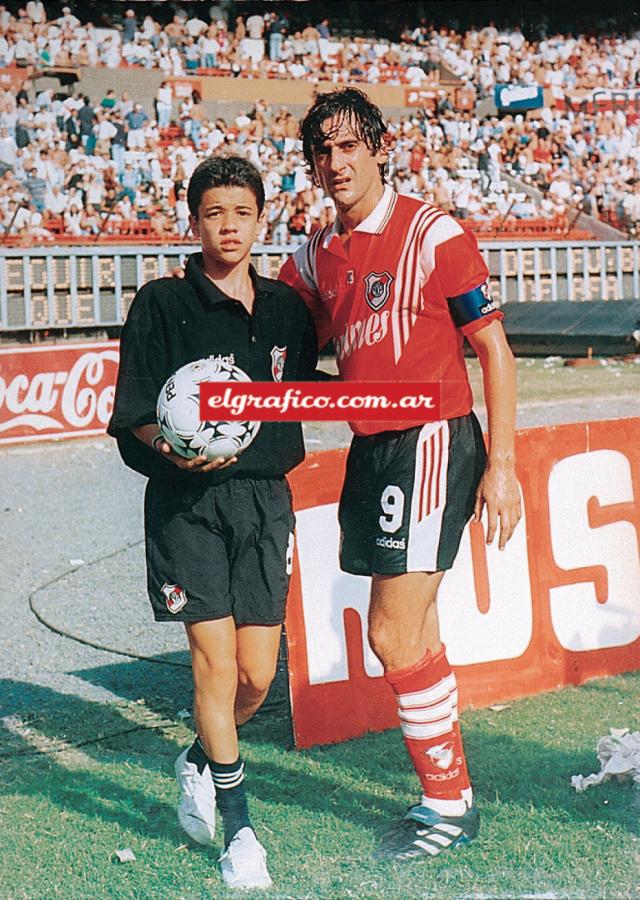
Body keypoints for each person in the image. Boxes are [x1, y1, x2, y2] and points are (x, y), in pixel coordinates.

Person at [279, 87, 521, 861]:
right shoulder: (316, 255)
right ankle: (451, 800)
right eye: (323, 151)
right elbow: (274, 337)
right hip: (373, 448)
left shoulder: (432, 232)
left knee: (390, 631)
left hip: (433, 439)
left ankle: (447, 807)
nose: (336, 163)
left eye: (350, 147)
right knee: (416, 631)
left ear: (379, 147)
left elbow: (495, 351)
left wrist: (504, 466)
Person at [108, 156, 318, 890]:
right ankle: (241, 834)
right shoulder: (162, 303)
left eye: (241, 212)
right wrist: (169, 445)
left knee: (258, 676)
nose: (227, 226)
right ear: (192, 221)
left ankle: (200, 759)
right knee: (214, 665)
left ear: (262, 219)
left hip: (264, 501)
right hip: (186, 505)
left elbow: (308, 393)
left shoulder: (289, 310)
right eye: (213, 213)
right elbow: (133, 412)